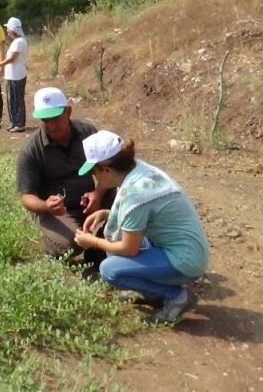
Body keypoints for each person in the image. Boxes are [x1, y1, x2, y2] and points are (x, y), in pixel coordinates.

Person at [73, 130, 209, 323]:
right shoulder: (139, 171)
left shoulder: (134, 194)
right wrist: (106, 213)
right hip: (188, 249)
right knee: (121, 249)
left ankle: (175, 296)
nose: (96, 179)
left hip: (185, 260)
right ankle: (153, 293)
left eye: (94, 173)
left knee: (110, 269)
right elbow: (142, 218)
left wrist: (93, 241)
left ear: (107, 170)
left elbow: (128, 248)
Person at [16, 87, 113, 267]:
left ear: (68, 112)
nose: (51, 126)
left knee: (127, 199)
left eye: (55, 118)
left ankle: (99, 245)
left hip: (90, 201)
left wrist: (98, 194)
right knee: (70, 246)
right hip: (57, 211)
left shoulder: (87, 132)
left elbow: (110, 168)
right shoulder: (31, 150)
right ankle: (52, 235)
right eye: (45, 120)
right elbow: (26, 197)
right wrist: (47, 205)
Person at [0, 17, 28, 133]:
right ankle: (14, 122)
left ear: (12, 30)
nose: (7, 31)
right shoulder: (17, 42)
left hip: (17, 75)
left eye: (8, 29)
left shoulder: (19, 42)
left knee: (17, 99)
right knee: (11, 99)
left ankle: (19, 123)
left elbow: (11, 59)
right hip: (13, 75)